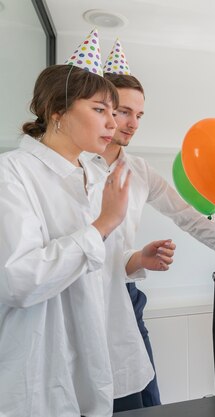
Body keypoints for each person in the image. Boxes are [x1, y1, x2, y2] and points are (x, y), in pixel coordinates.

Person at [94, 41, 215, 409]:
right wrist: (137, 256)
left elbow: (190, 219)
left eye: (139, 114)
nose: (132, 124)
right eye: (124, 111)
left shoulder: (139, 171)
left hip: (126, 296)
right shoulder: (72, 168)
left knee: (146, 398)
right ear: (102, 110)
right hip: (84, 298)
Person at [0, 29, 131, 416]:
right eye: (99, 109)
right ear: (57, 111)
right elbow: (20, 280)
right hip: (36, 366)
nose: (115, 121)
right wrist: (102, 225)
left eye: (115, 111)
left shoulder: (93, 174)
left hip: (88, 354)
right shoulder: (12, 174)